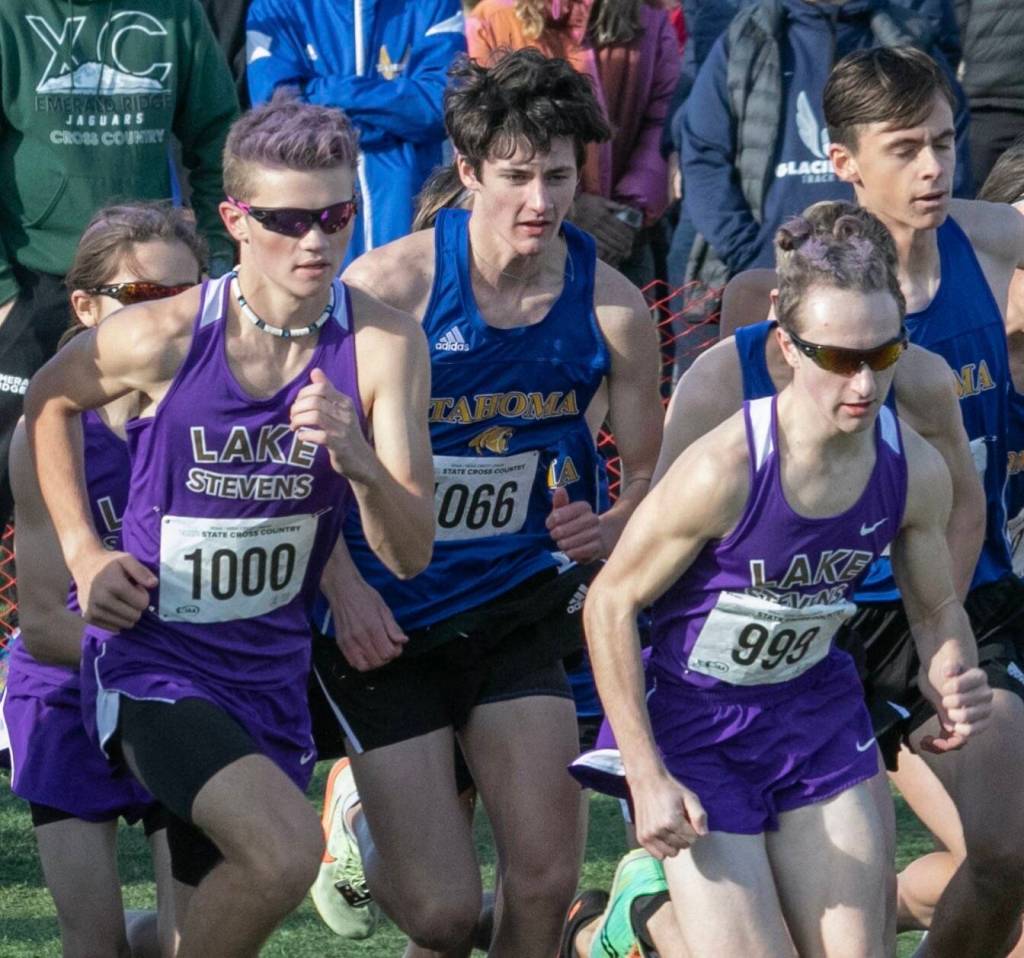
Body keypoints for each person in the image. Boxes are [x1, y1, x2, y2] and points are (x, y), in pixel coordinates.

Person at [23, 96, 434, 958]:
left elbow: (411, 549)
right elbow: (50, 400)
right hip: (155, 663)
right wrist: (84, 550)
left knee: (213, 921)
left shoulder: (385, 347)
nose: (317, 242)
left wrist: (359, 458)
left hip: (270, 675)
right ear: (236, 220)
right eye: (288, 220)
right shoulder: (167, 333)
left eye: (336, 215)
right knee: (287, 852)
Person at [311, 48, 663, 958]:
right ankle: (355, 824)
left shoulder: (613, 307)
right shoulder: (386, 294)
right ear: (467, 173)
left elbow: (651, 484)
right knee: (442, 917)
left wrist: (609, 525)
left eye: (557, 175)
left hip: (518, 608)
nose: (540, 202)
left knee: (543, 889)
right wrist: (342, 585)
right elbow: (297, 463)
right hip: (389, 617)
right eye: (515, 178)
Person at [563, 202, 985, 958]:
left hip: (815, 717)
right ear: (787, 348)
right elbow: (611, 601)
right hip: (698, 726)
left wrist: (949, 667)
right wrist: (644, 771)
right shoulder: (725, 467)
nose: (862, 383)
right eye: (838, 358)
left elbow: (936, 607)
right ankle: (629, 926)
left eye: (883, 356)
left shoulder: (911, 467)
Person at [822, 45, 1024, 957]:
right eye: (904, 148)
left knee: (1012, 855)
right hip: (834, 616)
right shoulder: (800, 293)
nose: (934, 168)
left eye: (944, 141)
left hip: (967, 599)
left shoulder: (993, 244)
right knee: (828, 916)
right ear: (845, 162)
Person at [2, 202, 204, 958]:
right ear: (86, 307)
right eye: (144, 298)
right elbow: (50, 627)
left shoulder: (221, 417)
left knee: (194, 942)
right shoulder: (48, 432)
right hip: (64, 693)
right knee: (92, 945)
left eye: (189, 294)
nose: (173, 317)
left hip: (177, 688)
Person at [0, 0, 239, 525]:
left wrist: (217, 259)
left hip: (144, 290)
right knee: (14, 473)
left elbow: (217, 134)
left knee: (152, 462)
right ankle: (25, 606)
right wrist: (3, 293)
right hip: (30, 279)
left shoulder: (174, 11)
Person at [680, 0, 970, 291]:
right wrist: (755, 256)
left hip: (890, 280)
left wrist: (907, 258)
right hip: (772, 274)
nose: (931, 165)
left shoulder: (907, 37)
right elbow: (703, 155)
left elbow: (947, 138)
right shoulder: (747, 38)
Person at [466, 0, 680, 283]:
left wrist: (629, 212)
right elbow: (480, 129)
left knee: (626, 320)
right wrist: (574, 205)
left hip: (624, 236)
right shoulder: (494, 18)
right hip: (528, 236)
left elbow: (665, 120)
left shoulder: (649, 19)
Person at [246, 0, 467, 263]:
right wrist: (395, 114)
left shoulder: (433, 4)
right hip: (315, 230)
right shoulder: (275, 6)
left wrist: (324, 91)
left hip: (411, 224)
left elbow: (437, 107)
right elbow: (279, 110)